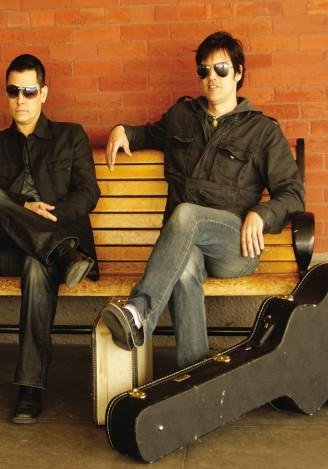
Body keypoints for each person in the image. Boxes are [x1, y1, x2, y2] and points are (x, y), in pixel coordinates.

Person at [101, 31, 304, 368]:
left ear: (238, 73)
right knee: (183, 268)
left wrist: (262, 213)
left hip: (234, 246)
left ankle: (140, 312)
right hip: (184, 245)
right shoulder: (182, 117)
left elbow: (293, 192)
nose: (212, 77)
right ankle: (194, 372)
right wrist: (123, 130)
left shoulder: (262, 131)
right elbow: (148, 133)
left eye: (221, 69)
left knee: (185, 214)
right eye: (204, 70)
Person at [0, 54, 100, 423]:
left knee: (36, 262)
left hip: (48, 245)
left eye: (29, 91)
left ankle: (30, 388)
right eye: (13, 91)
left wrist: (51, 215)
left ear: (43, 93)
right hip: (7, 252)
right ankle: (57, 251)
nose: (21, 99)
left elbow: (89, 192)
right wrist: (24, 206)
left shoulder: (70, 136)